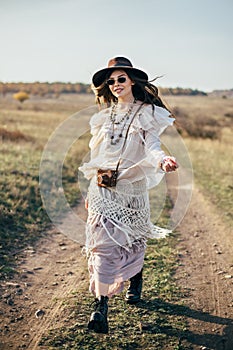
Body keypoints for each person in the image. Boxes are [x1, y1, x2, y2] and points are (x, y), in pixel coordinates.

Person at [79, 57, 178, 334]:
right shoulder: (103, 118)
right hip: (101, 189)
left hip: (131, 191)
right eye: (110, 81)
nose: (115, 84)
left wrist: (162, 160)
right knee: (101, 245)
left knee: (132, 239)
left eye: (120, 78)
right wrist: (90, 190)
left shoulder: (147, 112)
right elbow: (97, 156)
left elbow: (152, 146)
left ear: (132, 80)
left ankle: (135, 281)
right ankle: (100, 307)